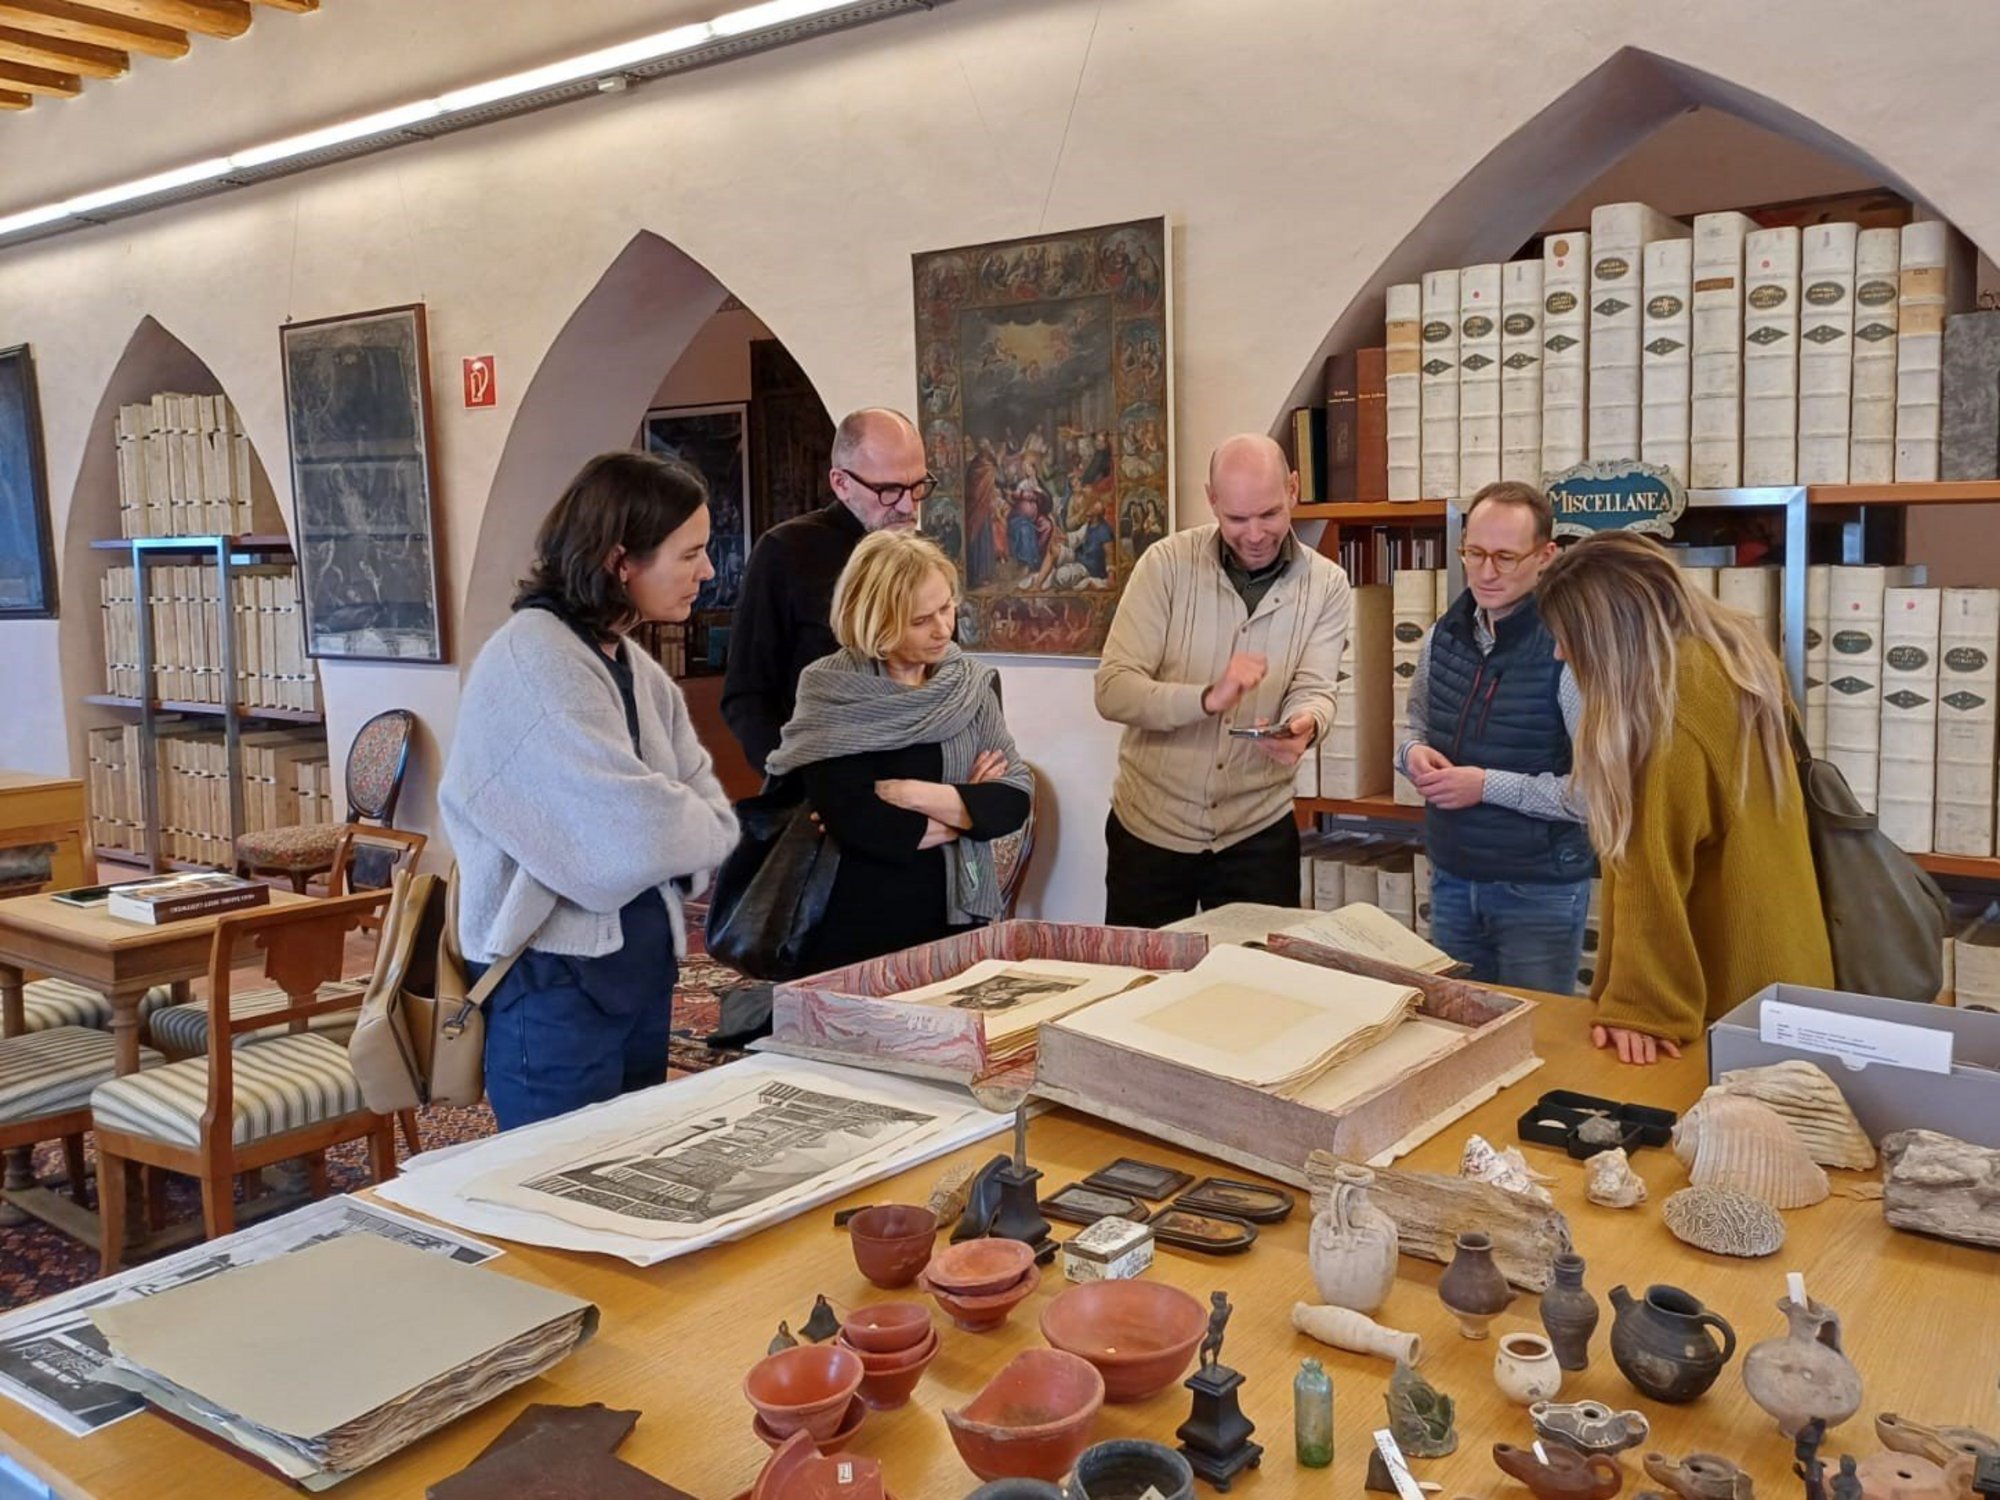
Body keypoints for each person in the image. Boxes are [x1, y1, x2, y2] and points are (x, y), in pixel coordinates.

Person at [440, 452, 740, 1129]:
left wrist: (670, 822)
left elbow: (712, 818)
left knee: (632, 1179)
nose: (709, 571)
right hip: (552, 983)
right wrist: (667, 822)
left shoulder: (628, 659)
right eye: (690, 553)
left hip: (634, 969)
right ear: (620, 560)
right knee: (556, 1194)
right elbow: (623, 847)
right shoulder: (536, 661)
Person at [1535, 530, 1835, 1064]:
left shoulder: (1666, 710)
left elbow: (1652, 870)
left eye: (1568, 636)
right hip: (1786, 964)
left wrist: (1641, 1008)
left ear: (1609, 634)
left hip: (1728, 994)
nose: (1560, 652)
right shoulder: (1729, 660)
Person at [1093, 433, 1350, 926]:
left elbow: (1316, 689)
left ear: (1293, 489)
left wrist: (1306, 724)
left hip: (1258, 831)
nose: (1255, 534)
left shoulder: (1328, 584)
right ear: (1211, 499)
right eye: (1236, 519)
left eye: (1270, 514)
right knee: (1143, 991)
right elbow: (1113, 689)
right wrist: (1208, 698)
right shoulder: (1164, 566)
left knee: (1261, 993)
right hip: (1149, 830)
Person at [765, 530, 1033, 972]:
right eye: (920, 619)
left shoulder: (971, 684)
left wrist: (912, 794)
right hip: (854, 922)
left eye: (946, 607)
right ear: (876, 620)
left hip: (955, 918)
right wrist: (966, 805)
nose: (944, 628)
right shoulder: (828, 687)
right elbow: (857, 822)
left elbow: (1012, 801)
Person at [1397, 480, 1596, 993]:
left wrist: (1485, 786)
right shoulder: (1446, 632)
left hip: (1538, 891)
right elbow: (1415, 723)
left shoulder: (1568, 648)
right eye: (1475, 553)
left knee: (1537, 1036)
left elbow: (1597, 794)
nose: (1486, 572)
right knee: (1457, 1036)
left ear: (1546, 556)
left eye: (1506, 557)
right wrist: (1411, 753)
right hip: (1451, 875)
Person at [721, 407, 933, 772]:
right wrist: (796, 781)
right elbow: (747, 696)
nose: (907, 505)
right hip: (818, 785)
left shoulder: (924, 557)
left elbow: (942, 670)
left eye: (918, 486)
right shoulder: (785, 552)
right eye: (889, 490)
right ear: (841, 483)